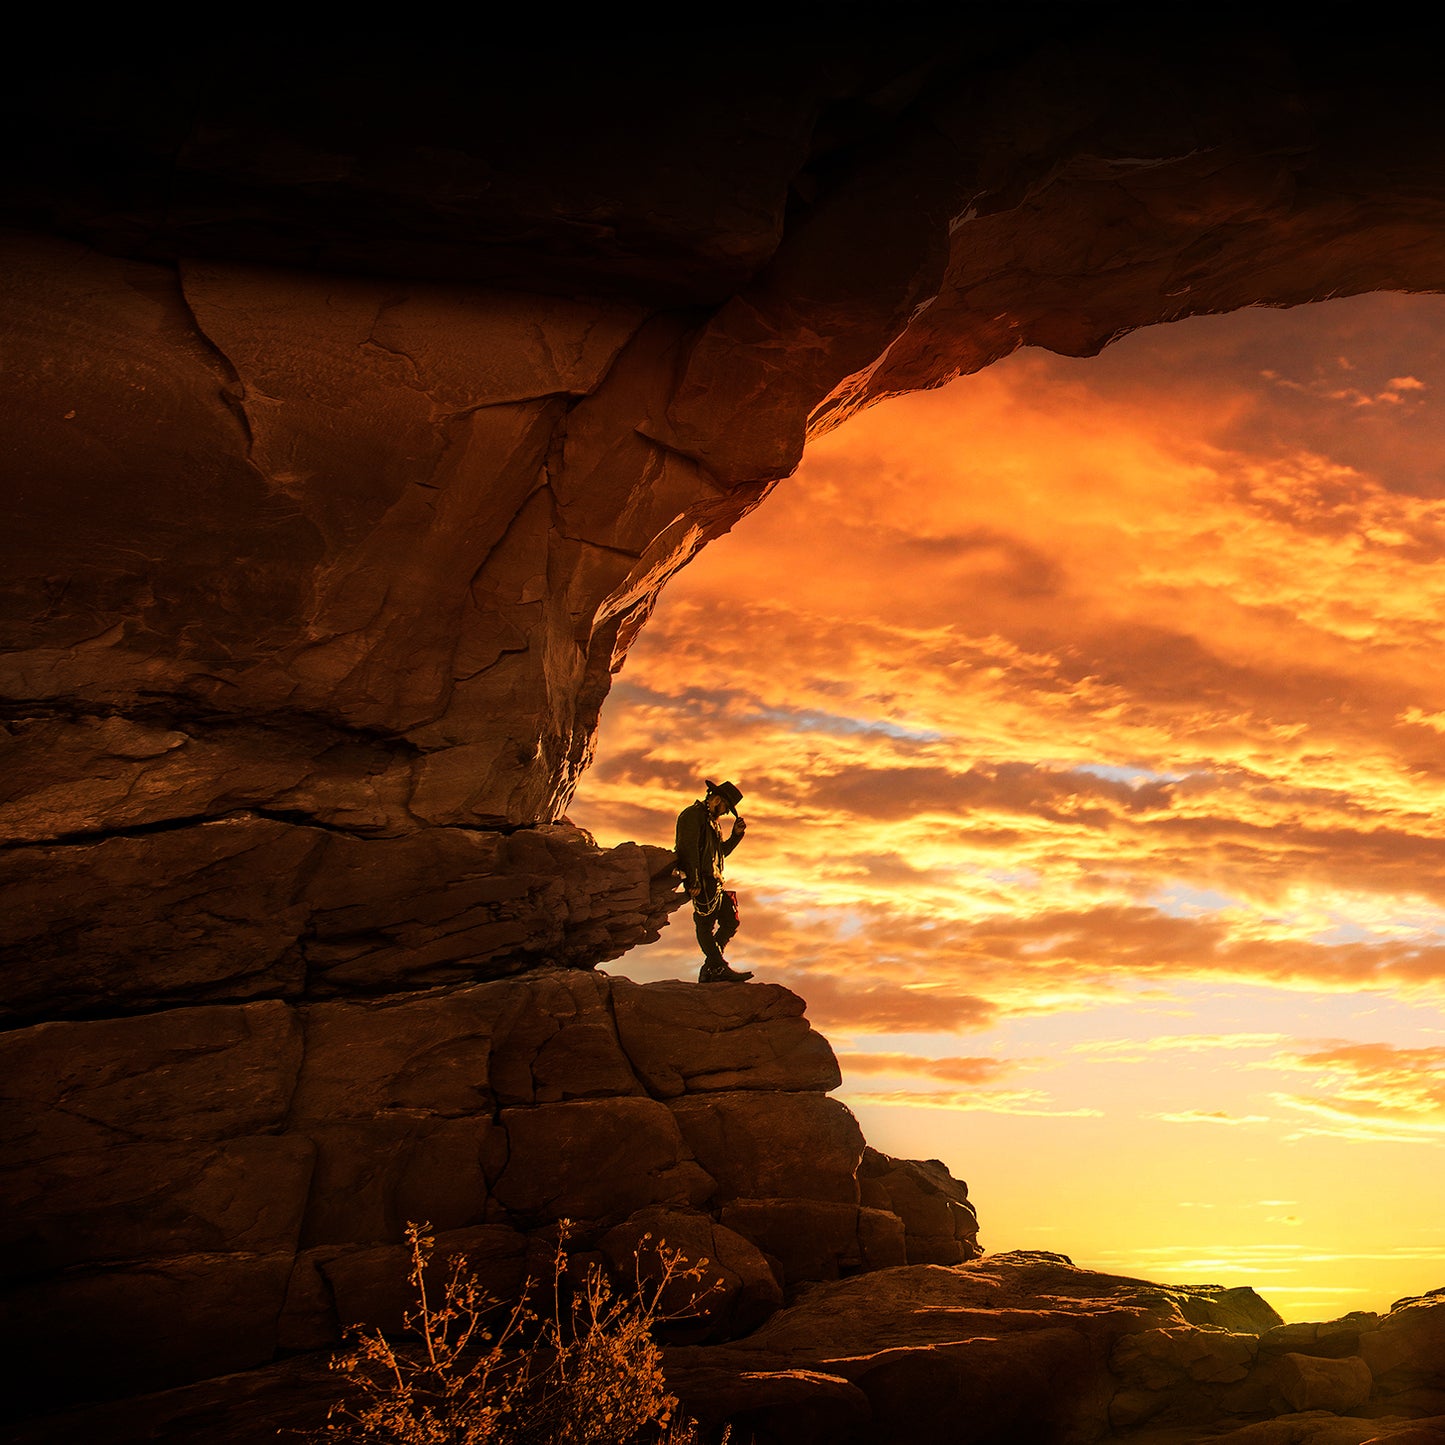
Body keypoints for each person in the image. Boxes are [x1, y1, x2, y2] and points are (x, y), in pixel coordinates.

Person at [674, 779, 753, 983]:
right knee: (704, 926)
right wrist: (692, 880)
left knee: (730, 921)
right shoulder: (692, 816)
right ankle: (717, 966)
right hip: (702, 882)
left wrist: (736, 836)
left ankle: (712, 966)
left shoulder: (713, 823)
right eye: (726, 807)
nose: (726, 812)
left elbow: (721, 852)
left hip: (716, 882)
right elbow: (686, 850)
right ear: (717, 799)